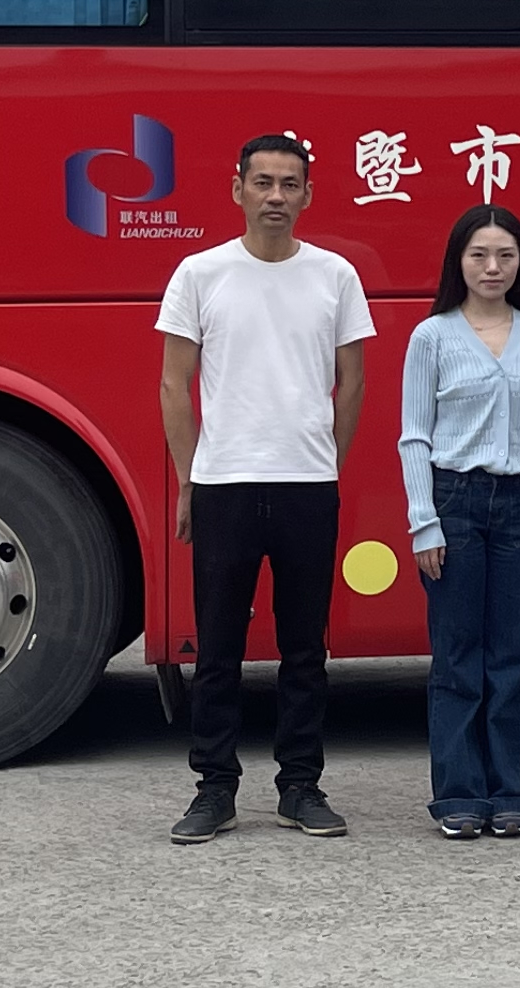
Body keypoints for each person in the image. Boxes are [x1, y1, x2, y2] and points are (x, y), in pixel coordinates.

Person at [156, 132, 375, 845]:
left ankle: (300, 786)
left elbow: (352, 382)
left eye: (289, 184)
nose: (275, 196)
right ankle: (214, 789)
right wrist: (188, 480)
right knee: (218, 648)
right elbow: (175, 383)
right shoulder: (200, 273)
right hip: (224, 482)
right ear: (238, 189)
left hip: (307, 484)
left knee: (304, 649)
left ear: (308, 195)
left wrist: (327, 461)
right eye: (263, 182)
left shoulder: (335, 275)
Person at [396, 203, 520, 841]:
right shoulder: (432, 336)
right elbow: (415, 437)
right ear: (459, 262)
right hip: (455, 501)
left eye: (505, 255)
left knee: (511, 655)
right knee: (456, 655)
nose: (492, 267)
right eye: (479, 255)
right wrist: (424, 522)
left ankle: (509, 792)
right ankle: (458, 794)